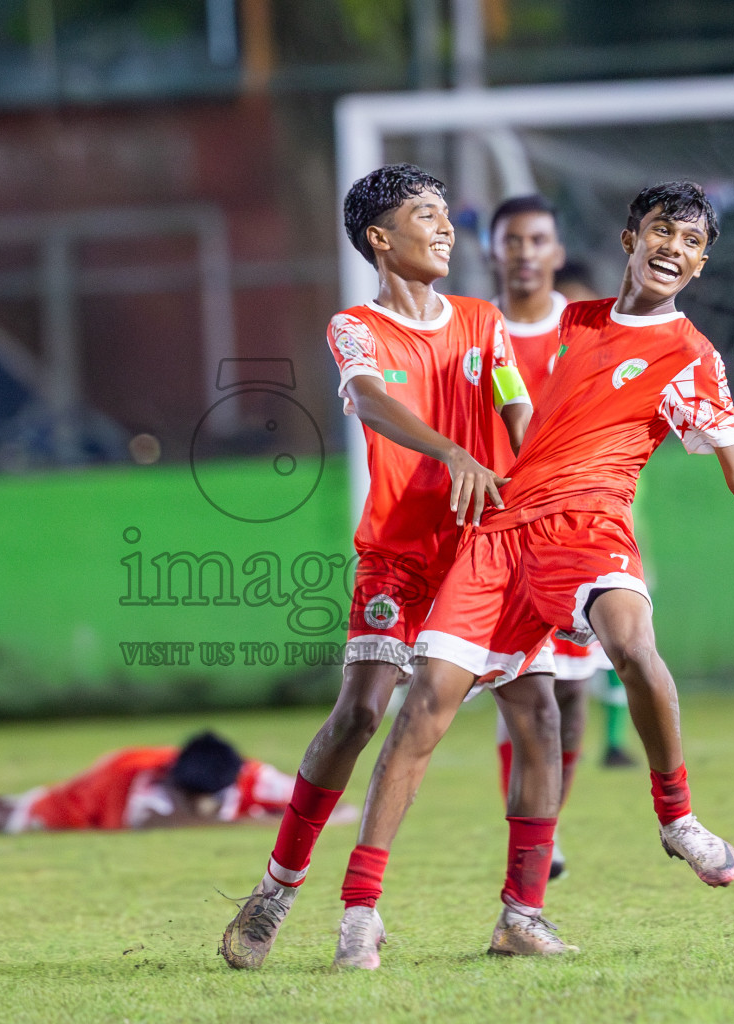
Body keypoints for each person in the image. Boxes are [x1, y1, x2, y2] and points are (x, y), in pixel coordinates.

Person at [329, 180, 734, 967]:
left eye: (690, 241)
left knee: (632, 645)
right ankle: (362, 913)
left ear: (701, 264)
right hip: (502, 534)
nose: (672, 247)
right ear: (629, 240)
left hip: (590, 527)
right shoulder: (566, 323)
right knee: (423, 710)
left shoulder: (690, 357)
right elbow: (487, 341)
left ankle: (676, 817)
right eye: (660, 230)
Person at [218, 164, 550, 970]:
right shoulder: (356, 328)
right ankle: (278, 890)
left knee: (540, 715)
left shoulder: (483, 323)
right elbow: (368, 398)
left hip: (483, 554)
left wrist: (546, 466)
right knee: (362, 713)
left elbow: (517, 406)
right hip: (399, 560)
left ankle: (522, 913)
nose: (444, 229)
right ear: (379, 237)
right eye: (426, 215)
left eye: (445, 216)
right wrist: (449, 449)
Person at [484, 195, 633, 884]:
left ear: (554, 249)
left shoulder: (584, 334)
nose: (523, 253)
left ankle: (551, 826)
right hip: (494, 533)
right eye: (511, 241)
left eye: (536, 239)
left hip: (570, 532)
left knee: (573, 692)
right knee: (521, 686)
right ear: (493, 250)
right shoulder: (471, 328)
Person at [0, 731, 343, 833]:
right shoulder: (130, 775)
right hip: (86, 803)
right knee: (3, 815)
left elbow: (326, 807)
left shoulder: (258, 782)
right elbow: (128, 817)